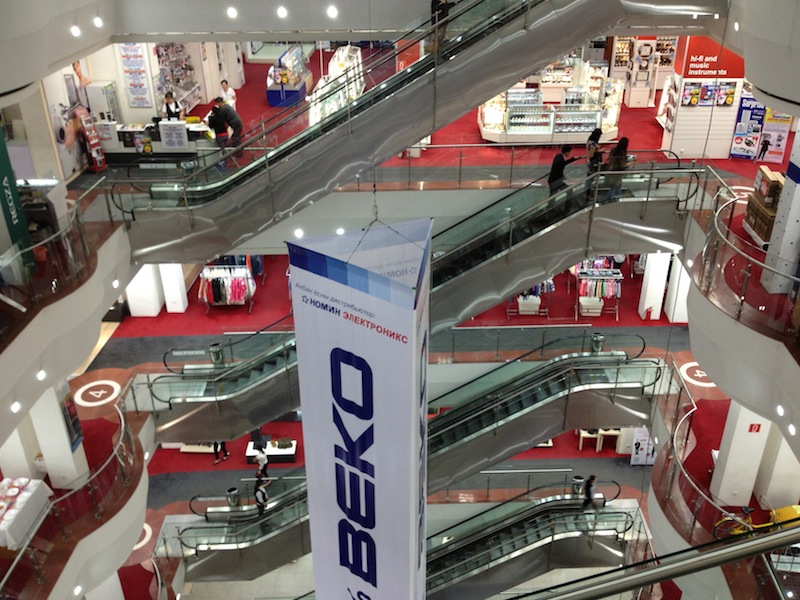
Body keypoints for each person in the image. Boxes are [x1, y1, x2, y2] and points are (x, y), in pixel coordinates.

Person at [603, 136, 630, 202]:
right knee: (614, 186)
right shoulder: (622, 153)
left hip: (612, 170)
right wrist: (630, 163)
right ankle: (610, 200)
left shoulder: (614, 150)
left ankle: (618, 197)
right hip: (618, 171)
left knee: (617, 185)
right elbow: (622, 164)